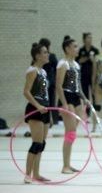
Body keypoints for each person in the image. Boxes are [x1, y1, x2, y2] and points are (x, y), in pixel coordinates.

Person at [56, 36, 89, 173]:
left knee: (72, 133)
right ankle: (65, 166)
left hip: (76, 98)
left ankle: (68, 164)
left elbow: (78, 85)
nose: (77, 49)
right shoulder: (62, 64)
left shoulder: (76, 65)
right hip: (67, 98)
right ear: (67, 49)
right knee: (70, 132)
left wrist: (85, 98)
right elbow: (58, 85)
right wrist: (64, 103)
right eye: (75, 46)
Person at [22, 43, 52, 183]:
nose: (48, 54)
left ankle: (37, 174)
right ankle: (27, 174)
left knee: (42, 144)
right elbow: (26, 92)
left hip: (44, 109)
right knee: (36, 143)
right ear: (37, 55)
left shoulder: (43, 71)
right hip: (35, 109)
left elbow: (45, 93)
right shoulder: (32, 70)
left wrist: (47, 111)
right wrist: (38, 106)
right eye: (45, 52)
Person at [39, 38, 60, 126]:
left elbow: (56, 67)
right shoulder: (51, 56)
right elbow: (56, 68)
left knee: (45, 100)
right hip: (48, 81)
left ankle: (49, 118)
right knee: (50, 100)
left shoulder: (49, 56)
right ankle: (50, 118)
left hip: (47, 81)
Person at [77, 32, 98, 106]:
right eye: (88, 37)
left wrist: (93, 60)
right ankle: (86, 113)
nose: (90, 39)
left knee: (94, 93)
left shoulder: (95, 50)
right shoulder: (81, 50)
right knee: (85, 94)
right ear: (84, 39)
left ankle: (95, 111)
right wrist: (85, 59)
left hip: (93, 75)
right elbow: (78, 61)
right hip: (84, 74)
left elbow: (98, 63)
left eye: (91, 38)